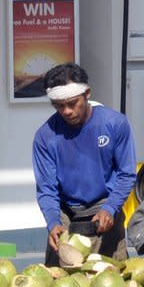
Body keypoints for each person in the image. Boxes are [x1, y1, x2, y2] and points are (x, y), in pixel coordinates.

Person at [32, 63, 136, 265]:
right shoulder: (45, 136)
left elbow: (126, 174)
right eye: (59, 106)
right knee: (62, 286)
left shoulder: (114, 124)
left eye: (72, 103)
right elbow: (46, 189)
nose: (67, 111)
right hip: (66, 214)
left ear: (87, 93)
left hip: (105, 210)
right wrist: (53, 222)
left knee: (110, 283)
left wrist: (111, 207)